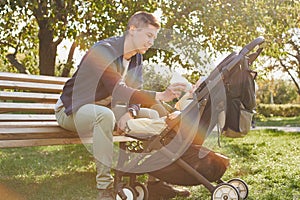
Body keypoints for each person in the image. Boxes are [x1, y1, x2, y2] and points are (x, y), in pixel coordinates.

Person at [54, 11, 189, 200]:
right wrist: (160, 95)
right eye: (149, 36)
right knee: (105, 116)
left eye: (154, 38)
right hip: (72, 111)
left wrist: (131, 113)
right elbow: (118, 89)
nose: (151, 42)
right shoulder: (104, 50)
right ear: (133, 30)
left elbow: (136, 91)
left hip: (105, 108)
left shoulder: (136, 58)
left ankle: (156, 182)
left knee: (152, 116)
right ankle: (105, 188)